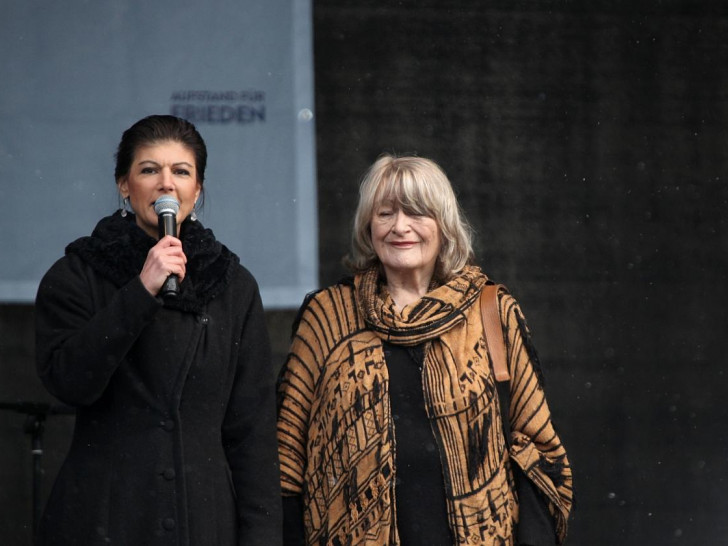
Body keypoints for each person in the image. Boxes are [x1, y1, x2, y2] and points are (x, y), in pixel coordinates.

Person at [277, 154, 573, 545]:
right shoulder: (328, 316)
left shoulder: (491, 311)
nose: (400, 227)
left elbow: (537, 447)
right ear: (369, 226)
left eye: (417, 213)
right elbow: (287, 455)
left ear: (444, 226)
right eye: (385, 214)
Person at [34, 115, 282, 545]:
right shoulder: (78, 274)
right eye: (149, 170)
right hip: (106, 513)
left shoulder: (232, 285)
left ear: (197, 190)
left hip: (204, 518)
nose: (166, 184)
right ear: (124, 185)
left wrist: (260, 536)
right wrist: (140, 291)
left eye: (181, 172)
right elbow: (70, 381)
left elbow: (253, 431)